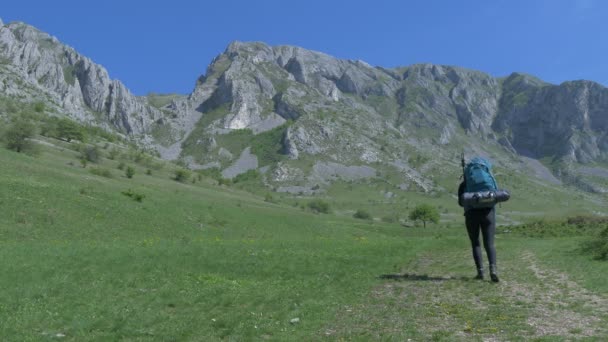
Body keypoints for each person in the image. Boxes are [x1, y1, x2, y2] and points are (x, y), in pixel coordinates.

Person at [458, 159, 500, 283]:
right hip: (488, 213)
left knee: (476, 243)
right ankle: (493, 270)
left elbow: (461, 202)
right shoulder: (489, 180)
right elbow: (496, 196)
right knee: (490, 244)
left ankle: (480, 272)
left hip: (471, 215)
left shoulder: (464, 184)